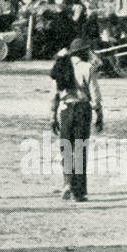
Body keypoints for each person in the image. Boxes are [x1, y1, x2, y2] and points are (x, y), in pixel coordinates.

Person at [49, 38, 104, 201]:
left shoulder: (60, 66)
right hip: (82, 109)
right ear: (83, 52)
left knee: (66, 148)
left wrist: (52, 116)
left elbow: (54, 94)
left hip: (65, 109)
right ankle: (78, 191)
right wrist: (99, 114)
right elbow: (95, 94)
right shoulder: (88, 68)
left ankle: (67, 184)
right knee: (80, 149)